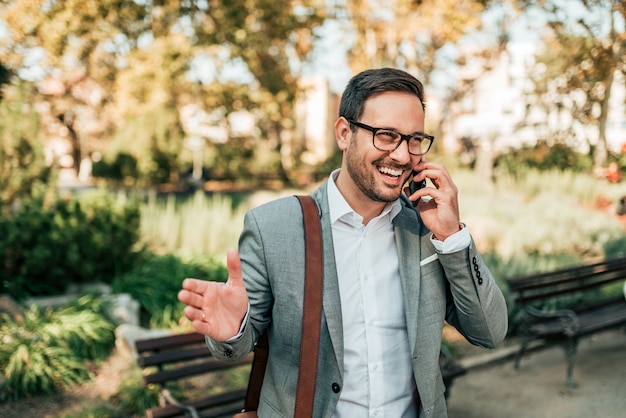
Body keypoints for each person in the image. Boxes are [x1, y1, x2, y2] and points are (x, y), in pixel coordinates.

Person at [178, 68, 508, 418]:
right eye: (385, 135)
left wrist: (452, 236)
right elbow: (236, 347)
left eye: (414, 139)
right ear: (344, 133)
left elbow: (489, 332)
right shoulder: (273, 227)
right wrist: (232, 331)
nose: (401, 155)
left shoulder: (429, 230)